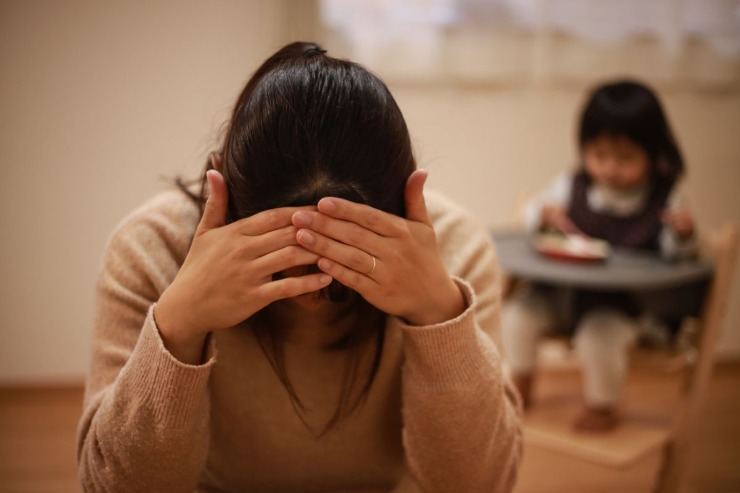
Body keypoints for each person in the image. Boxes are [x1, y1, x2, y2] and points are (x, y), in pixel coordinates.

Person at [76, 42, 522, 492]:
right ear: (222, 191)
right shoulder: (152, 248)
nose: (311, 297)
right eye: (285, 258)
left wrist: (440, 315)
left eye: (342, 268)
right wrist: (178, 327)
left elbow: (482, 483)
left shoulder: (455, 248)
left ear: (406, 201)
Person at [501, 79, 696, 431]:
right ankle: (521, 381)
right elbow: (534, 212)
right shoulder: (572, 185)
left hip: (622, 306)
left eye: (625, 158)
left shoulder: (665, 199)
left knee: (597, 336)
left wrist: (683, 235)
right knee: (517, 314)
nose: (610, 168)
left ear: (654, 154)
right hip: (561, 295)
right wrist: (540, 216)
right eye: (599, 155)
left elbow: (674, 255)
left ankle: (604, 405)